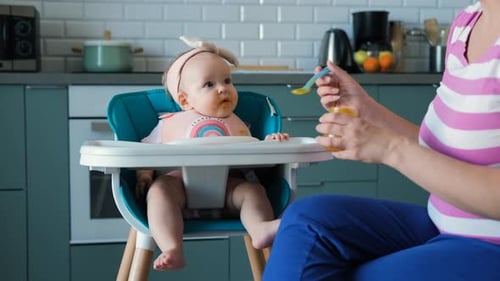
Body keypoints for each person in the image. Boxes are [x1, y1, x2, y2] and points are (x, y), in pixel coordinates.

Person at [263, 1, 500, 280]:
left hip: (490, 242)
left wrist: (390, 148)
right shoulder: (467, 23)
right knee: (306, 220)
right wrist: (367, 110)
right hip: (443, 225)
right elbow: (449, 148)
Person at [136, 36, 289, 271]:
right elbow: (145, 150)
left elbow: (258, 156)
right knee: (159, 191)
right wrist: (145, 174)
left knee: (253, 191)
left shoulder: (240, 124)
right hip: (180, 190)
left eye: (227, 81)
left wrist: (272, 143)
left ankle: (259, 228)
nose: (223, 89)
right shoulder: (169, 124)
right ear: (185, 100)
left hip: (229, 190)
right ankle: (171, 247)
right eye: (209, 84)